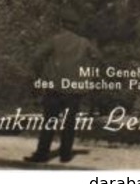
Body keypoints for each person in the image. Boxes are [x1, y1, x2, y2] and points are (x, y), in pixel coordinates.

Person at [28, 16, 97, 164]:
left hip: (54, 87)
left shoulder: (54, 40)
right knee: (69, 123)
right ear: (76, 26)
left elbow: (36, 56)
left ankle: (42, 154)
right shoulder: (84, 42)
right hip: (74, 89)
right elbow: (98, 57)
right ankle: (65, 155)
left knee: (49, 122)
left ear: (62, 24)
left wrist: (42, 74)